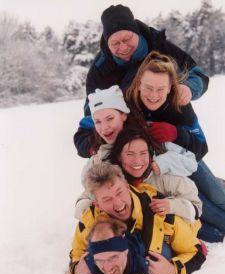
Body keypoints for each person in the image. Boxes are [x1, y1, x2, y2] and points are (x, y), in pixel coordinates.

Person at [74, 4, 209, 158]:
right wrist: (96, 145)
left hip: (173, 140)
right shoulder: (100, 70)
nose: (123, 47)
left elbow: (198, 75)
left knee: (200, 178)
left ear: (136, 32)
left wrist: (188, 88)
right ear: (107, 43)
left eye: (127, 39)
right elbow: (93, 113)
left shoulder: (160, 46)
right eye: (115, 43)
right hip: (132, 142)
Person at [125, 50, 225, 230]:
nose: (153, 95)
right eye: (148, 87)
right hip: (161, 169)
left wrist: (177, 134)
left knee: (218, 196)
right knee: (210, 212)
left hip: (185, 157)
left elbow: (201, 148)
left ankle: (218, 185)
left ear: (171, 87)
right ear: (139, 84)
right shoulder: (128, 104)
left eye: (160, 89)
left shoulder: (179, 105)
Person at [74, 85, 198, 219]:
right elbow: (87, 189)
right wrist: (92, 213)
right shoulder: (102, 156)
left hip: (171, 194)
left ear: (123, 115)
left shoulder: (148, 138)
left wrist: (163, 162)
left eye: (110, 118)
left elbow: (190, 162)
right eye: (97, 122)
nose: (104, 128)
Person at [69, 162, 206, 274]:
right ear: (97, 204)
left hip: (188, 222)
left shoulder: (160, 213)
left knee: (158, 254)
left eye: (119, 192)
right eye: (107, 199)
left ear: (127, 187)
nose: (118, 203)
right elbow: (77, 252)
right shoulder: (91, 218)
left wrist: (172, 270)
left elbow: (196, 253)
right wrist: (76, 269)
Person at [109, 127, 225, 242]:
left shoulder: (164, 174)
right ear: (119, 156)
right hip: (161, 228)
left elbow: (196, 207)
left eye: (143, 153)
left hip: (183, 210)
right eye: (130, 154)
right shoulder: (112, 179)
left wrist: (171, 205)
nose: (137, 161)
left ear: (150, 154)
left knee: (217, 219)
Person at [83, 217, 150, 274]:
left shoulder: (138, 260)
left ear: (126, 251)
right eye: (100, 260)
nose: (107, 267)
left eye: (113, 257)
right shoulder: (90, 263)